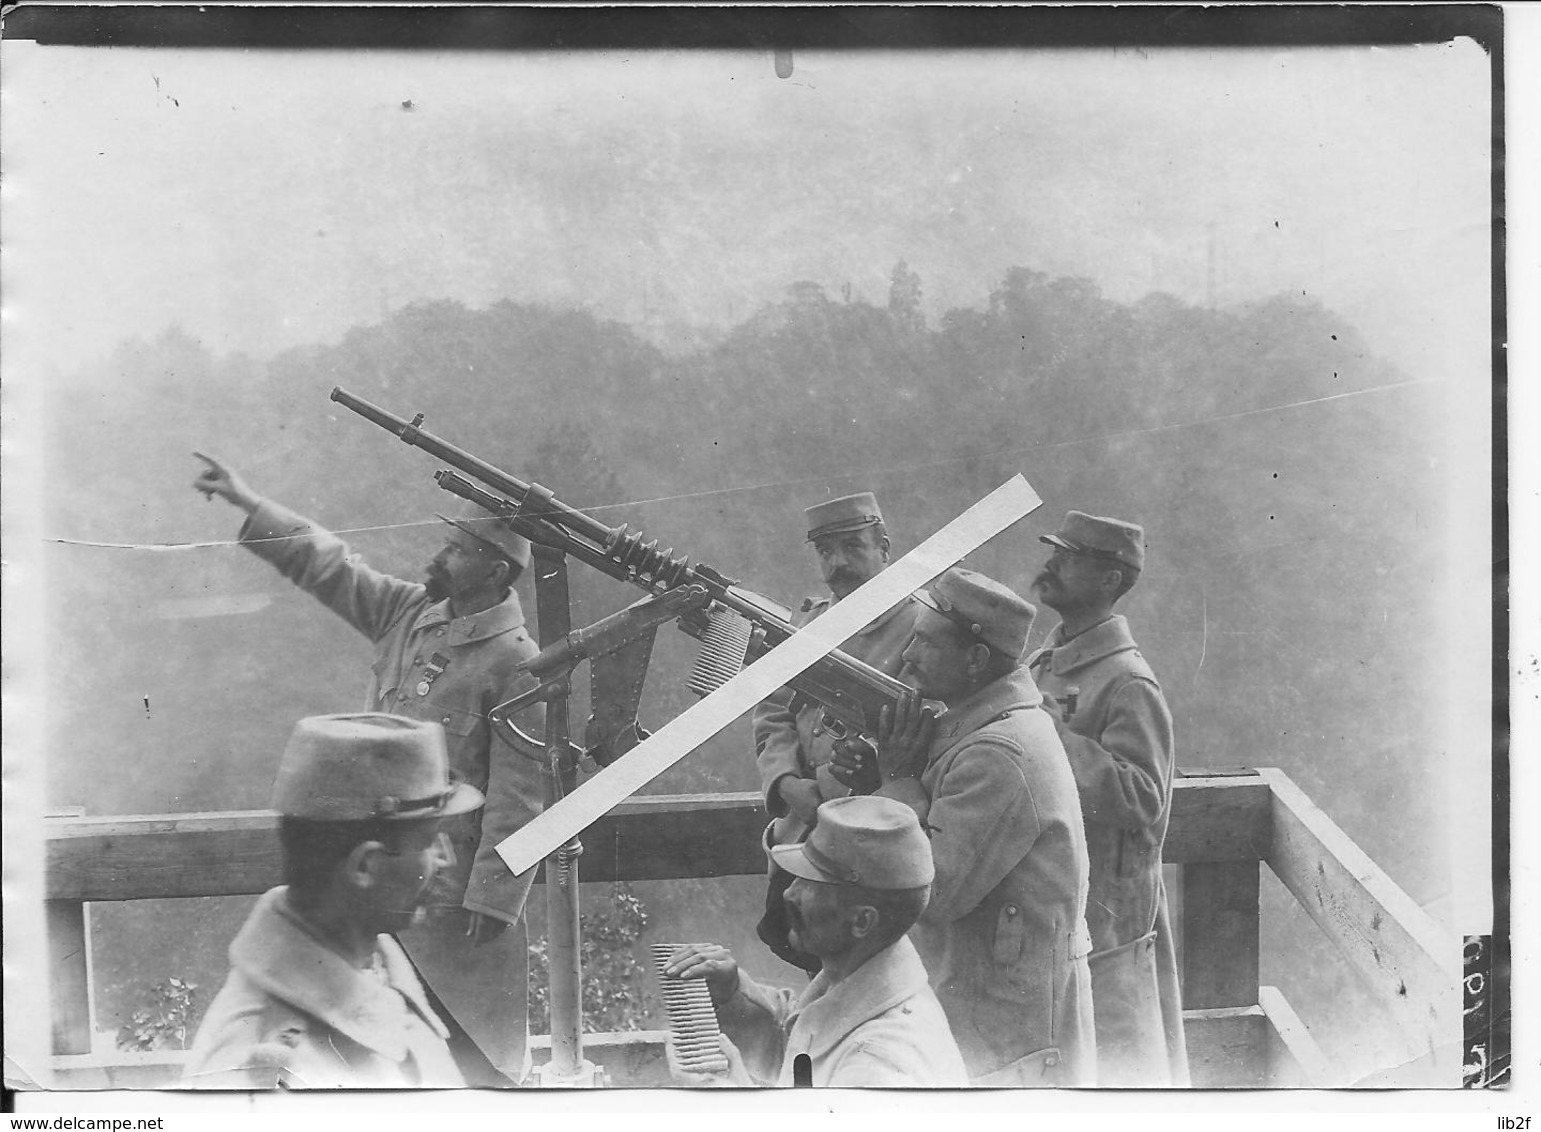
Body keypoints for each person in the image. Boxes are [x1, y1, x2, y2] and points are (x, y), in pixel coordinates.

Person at [193, 453, 543, 1087]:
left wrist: (496, 898)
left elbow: (523, 791)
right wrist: (251, 503)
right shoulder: (409, 615)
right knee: (353, 1047)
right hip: (368, 884)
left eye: (457, 552)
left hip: (449, 897)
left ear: (496, 572)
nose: (440, 559)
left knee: (463, 1059)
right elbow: (330, 569)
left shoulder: (517, 661)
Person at [850, 567, 1097, 1086]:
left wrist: (897, 779)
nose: (908, 656)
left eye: (924, 642)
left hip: (1007, 1040)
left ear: (976, 659)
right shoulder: (984, 727)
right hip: (993, 1012)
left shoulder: (998, 754)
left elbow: (932, 890)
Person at [184, 713, 478, 1088]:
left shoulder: (368, 956)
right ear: (365, 866)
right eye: (429, 840)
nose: (445, 858)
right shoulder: (268, 1071)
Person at [1028, 511, 1188, 1086]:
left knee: (1120, 1067)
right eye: (1055, 552)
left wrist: (1055, 740)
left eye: (1067, 557)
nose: (1049, 565)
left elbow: (1144, 799)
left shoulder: (1128, 681)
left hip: (1108, 919)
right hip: (1057, 902)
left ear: (1109, 581)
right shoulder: (1042, 663)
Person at [661, 795, 968, 1088]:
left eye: (811, 884)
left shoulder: (880, 1061)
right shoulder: (854, 973)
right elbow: (803, 1056)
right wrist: (732, 995)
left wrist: (724, 1099)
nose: (788, 894)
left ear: (862, 921)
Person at [752, 492, 921, 973]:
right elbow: (772, 708)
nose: (838, 564)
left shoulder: (919, 629)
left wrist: (823, 791)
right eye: (826, 552)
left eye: (853, 547)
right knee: (811, 962)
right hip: (799, 831)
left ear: (884, 547)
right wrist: (785, 784)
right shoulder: (810, 623)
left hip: (866, 835)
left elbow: (910, 733)